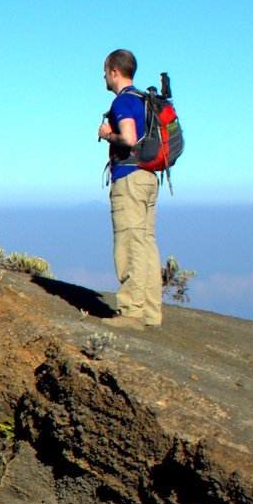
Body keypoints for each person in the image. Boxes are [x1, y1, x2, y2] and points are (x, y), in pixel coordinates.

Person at [98, 49, 162, 326]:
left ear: (114, 71)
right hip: (149, 178)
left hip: (130, 179)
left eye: (105, 72)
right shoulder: (145, 101)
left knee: (128, 242)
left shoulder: (123, 102)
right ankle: (151, 312)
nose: (103, 77)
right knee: (146, 243)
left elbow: (128, 138)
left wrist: (106, 135)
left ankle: (132, 312)